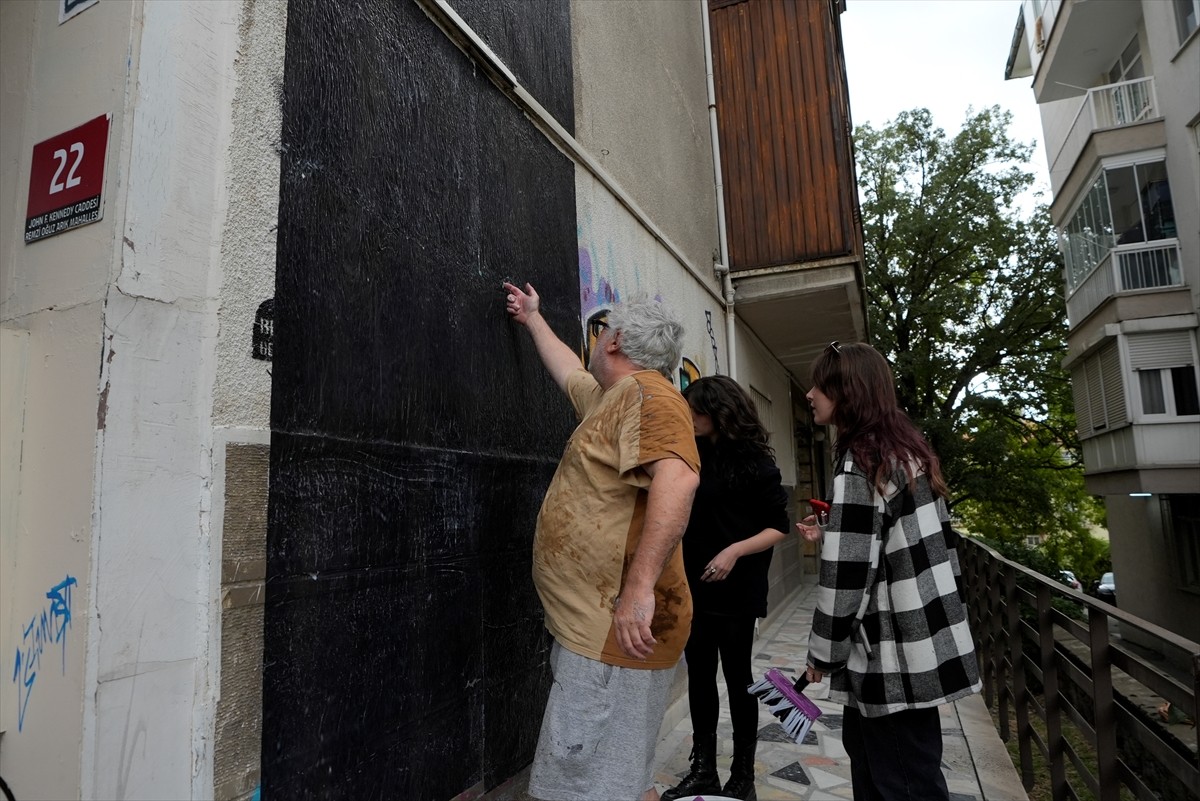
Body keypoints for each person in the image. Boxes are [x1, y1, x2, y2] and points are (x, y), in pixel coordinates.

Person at [503, 281, 701, 801]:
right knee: (587, 771)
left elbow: (678, 479)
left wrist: (637, 593)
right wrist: (532, 318)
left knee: (588, 781)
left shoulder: (651, 395)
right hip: (597, 631)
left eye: (601, 333)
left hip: (620, 630)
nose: (594, 341)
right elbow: (570, 371)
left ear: (614, 343)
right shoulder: (615, 398)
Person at [796, 342, 980, 801]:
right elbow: (920, 547)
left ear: (847, 392)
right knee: (906, 767)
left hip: (891, 653)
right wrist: (836, 529)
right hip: (920, 643)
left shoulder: (862, 462)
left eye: (820, 384)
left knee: (897, 781)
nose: (809, 393)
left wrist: (823, 654)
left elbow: (846, 578)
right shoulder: (904, 450)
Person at [660, 376, 789, 801]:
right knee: (699, 675)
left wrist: (734, 551)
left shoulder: (757, 464)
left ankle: (743, 775)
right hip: (694, 583)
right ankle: (703, 770)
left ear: (719, 412)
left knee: (737, 678)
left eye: (695, 410)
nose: (689, 417)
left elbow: (777, 527)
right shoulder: (691, 456)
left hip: (737, 587)